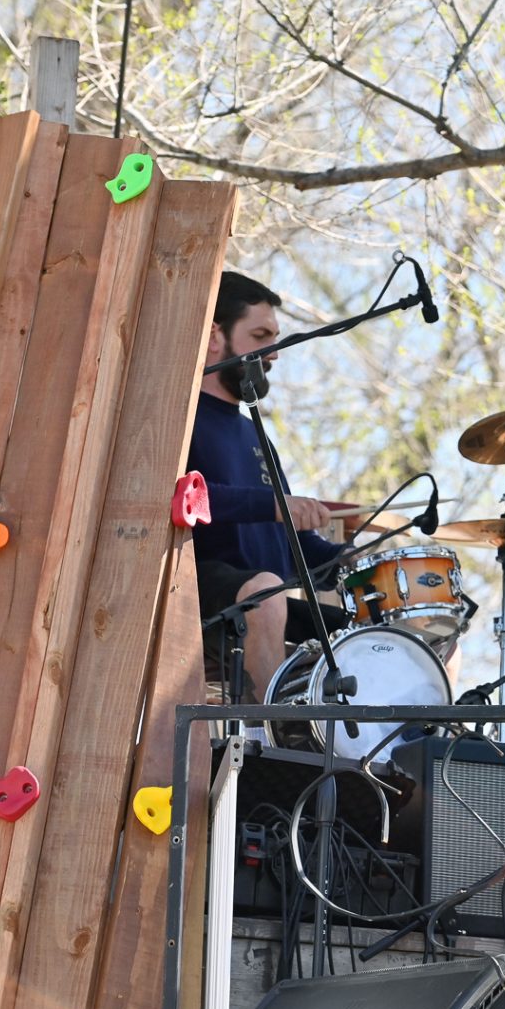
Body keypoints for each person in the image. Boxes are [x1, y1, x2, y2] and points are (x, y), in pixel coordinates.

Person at [190, 271, 347, 698]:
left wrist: (353, 564)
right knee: (264, 592)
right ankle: (269, 728)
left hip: (266, 599)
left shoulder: (256, 435)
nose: (273, 354)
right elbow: (186, 497)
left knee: (395, 632)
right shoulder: (181, 417)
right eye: (260, 337)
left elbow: (297, 548)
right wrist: (273, 505)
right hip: (198, 590)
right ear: (214, 336)